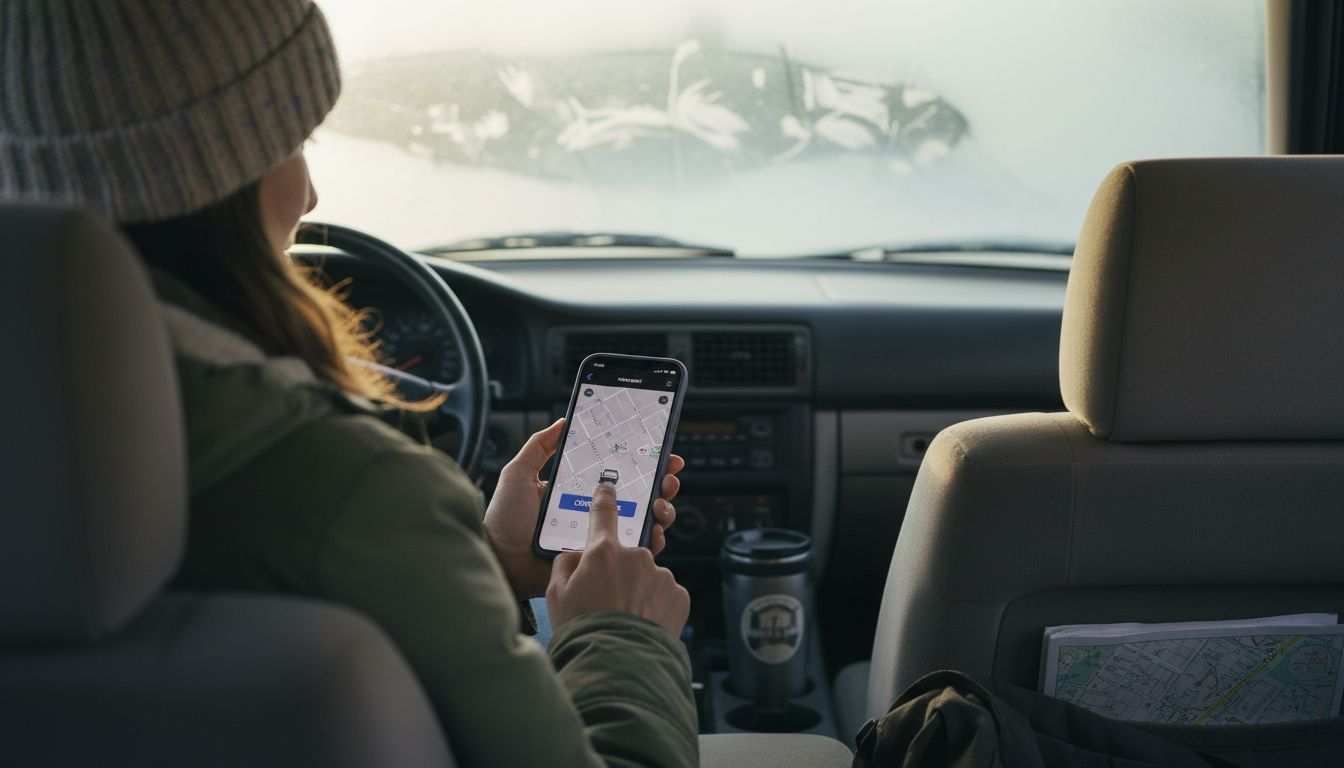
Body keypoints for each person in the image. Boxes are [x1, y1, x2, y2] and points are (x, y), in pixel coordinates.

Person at [0, 1, 698, 766]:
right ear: (218, 171)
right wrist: (619, 634)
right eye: (295, 142)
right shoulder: (356, 492)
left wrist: (485, 560)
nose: (309, 196)